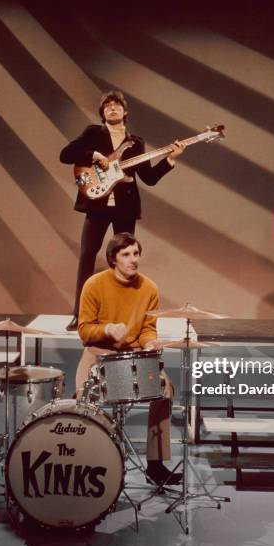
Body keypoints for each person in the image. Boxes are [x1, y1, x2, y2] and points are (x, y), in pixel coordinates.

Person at [60, 90, 185, 331]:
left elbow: (148, 178)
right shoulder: (93, 133)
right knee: (87, 256)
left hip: (125, 208)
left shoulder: (135, 142)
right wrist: (93, 154)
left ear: (125, 112)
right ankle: (80, 315)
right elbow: (65, 155)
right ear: (102, 113)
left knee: (126, 261)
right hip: (97, 205)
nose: (112, 108)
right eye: (107, 106)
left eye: (116, 105)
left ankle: (122, 316)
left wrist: (170, 159)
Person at [76, 232, 182, 486]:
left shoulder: (149, 288)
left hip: (134, 354)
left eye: (136, 253)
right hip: (99, 352)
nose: (133, 260)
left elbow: (147, 328)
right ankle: (81, 460)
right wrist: (106, 330)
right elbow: (84, 330)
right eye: (126, 255)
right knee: (80, 396)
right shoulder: (94, 284)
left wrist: (149, 342)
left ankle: (155, 465)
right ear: (113, 259)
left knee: (165, 389)